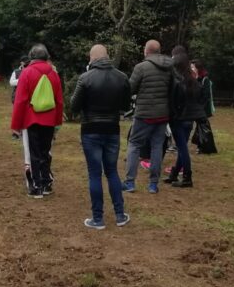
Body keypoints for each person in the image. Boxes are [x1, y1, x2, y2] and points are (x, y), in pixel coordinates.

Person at [70, 44, 131, 229]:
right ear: (107, 57)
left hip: (90, 129)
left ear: (92, 58)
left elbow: (73, 105)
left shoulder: (85, 78)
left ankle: (98, 219)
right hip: (112, 128)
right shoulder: (121, 77)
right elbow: (126, 105)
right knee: (112, 171)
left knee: (94, 174)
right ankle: (120, 215)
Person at [11, 44, 64, 198]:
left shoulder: (26, 73)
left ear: (31, 57)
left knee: (33, 153)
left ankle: (36, 187)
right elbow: (59, 100)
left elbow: (20, 101)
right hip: (49, 119)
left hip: (31, 119)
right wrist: (57, 122)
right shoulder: (53, 74)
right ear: (46, 56)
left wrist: (16, 125)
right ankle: (47, 183)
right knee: (45, 152)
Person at [124, 40, 173, 194]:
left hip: (144, 114)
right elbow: (173, 89)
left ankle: (130, 182)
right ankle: (153, 184)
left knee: (134, 145)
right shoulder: (170, 67)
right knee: (157, 147)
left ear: (146, 51)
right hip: (162, 114)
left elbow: (130, 88)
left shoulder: (141, 67)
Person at [164, 54, 207, 188]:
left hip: (179, 119)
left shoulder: (178, 82)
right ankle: (175, 173)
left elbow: (174, 101)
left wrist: (173, 115)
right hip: (189, 119)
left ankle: (187, 176)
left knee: (182, 149)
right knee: (182, 147)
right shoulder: (194, 82)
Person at [190, 60, 217, 155]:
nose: (191, 69)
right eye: (191, 67)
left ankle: (204, 147)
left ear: (198, 68)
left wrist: (200, 107)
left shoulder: (205, 79)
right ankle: (200, 145)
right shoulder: (192, 78)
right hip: (195, 107)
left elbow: (206, 96)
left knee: (203, 127)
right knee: (199, 128)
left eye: (193, 67)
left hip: (202, 108)